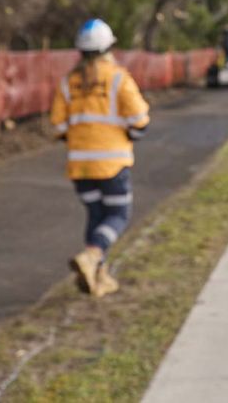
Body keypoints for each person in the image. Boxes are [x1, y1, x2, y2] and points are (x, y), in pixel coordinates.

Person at [50, 18, 150, 298]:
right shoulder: (118, 77)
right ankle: (92, 257)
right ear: (109, 47)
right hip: (112, 163)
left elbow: (58, 125)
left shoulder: (69, 82)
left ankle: (98, 278)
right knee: (118, 215)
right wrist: (130, 132)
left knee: (95, 215)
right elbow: (140, 119)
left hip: (79, 165)